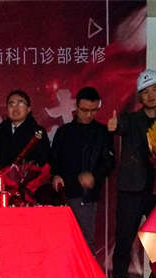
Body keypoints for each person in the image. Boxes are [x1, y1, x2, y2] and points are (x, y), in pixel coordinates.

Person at [107, 69, 156, 278]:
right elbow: (118, 127)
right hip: (131, 190)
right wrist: (113, 126)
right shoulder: (130, 120)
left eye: (155, 90)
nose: (151, 95)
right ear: (139, 97)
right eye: (145, 92)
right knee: (124, 239)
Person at [49, 86, 114, 254]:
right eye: (84, 110)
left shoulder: (102, 132)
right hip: (62, 194)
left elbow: (109, 162)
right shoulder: (64, 132)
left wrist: (94, 176)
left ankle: (87, 272)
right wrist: (55, 175)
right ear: (76, 107)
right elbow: (53, 161)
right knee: (61, 241)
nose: (89, 115)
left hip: (86, 195)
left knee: (84, 241)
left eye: (93, 110)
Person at [0, 89, 49, 169]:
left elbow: (43, 160)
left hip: (27, 176)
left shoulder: (38, 132)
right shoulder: (2, 130)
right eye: (11, 104)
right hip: (4, 175)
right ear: (7, 110)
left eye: (20, 104)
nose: (15, 108)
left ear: (28, 109)